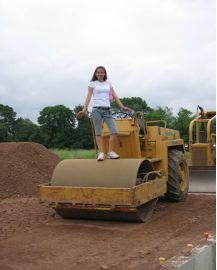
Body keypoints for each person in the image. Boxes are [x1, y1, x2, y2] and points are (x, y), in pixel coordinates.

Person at [76, 66, 131, 161]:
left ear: (104, 74)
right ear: (95, 74)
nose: (100, 74)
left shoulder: (108, 84)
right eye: (98, 72)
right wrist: (84, 110)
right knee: (98, 132)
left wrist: (122, 107)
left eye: (102, 72)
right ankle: (101, 153)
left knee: (114, 131)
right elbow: (88, 97)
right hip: (96, 109)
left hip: (107, 110)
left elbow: (115, 96)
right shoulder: (92, 84)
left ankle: (110, 152)